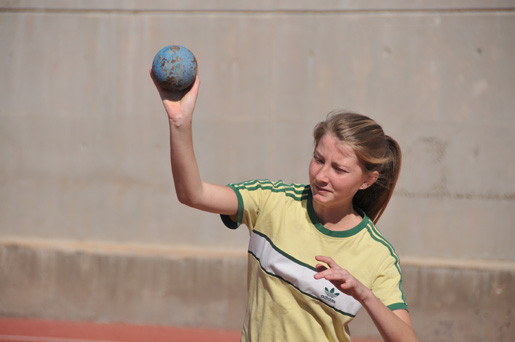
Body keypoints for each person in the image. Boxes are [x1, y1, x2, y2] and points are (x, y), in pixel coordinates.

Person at [151, 72, 418, 342]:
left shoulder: (377, 254)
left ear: (367, 180)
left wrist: (364, 294)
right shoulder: (272, 201)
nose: (322, 175)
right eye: (318, 159)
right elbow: (192, 194)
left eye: (339, 169)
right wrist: (179, 122)